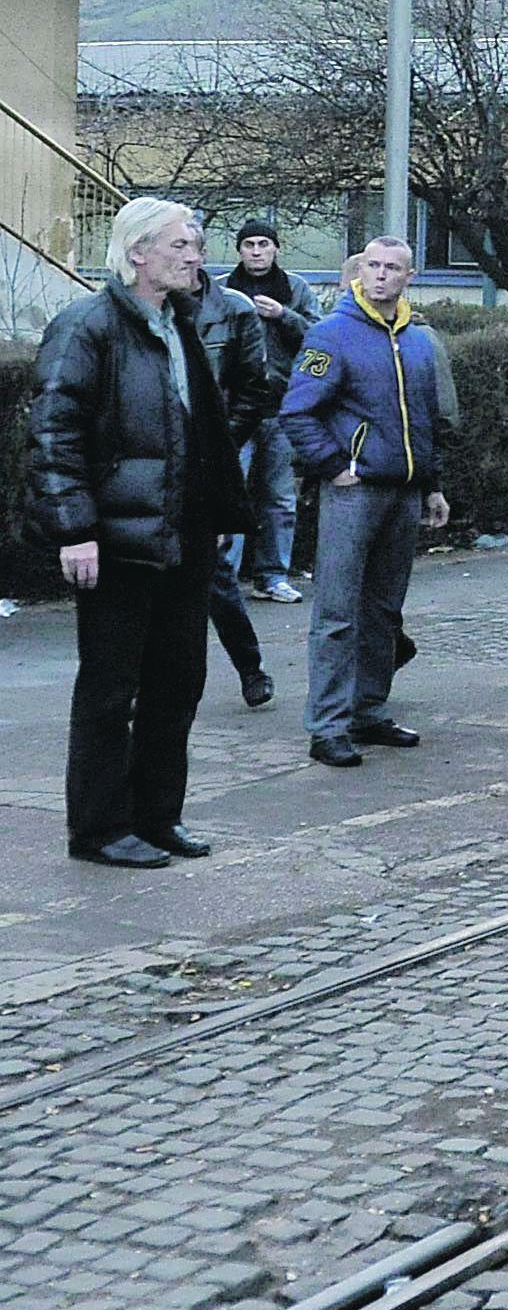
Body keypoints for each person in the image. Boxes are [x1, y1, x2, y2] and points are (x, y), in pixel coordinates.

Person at [26, 199, 250, 867]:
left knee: (177, 684)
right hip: (117, 544)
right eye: (180, 245)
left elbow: (198, 431)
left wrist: (212, 516)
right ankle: (98, 828)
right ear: (137, 255)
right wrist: (75, 530)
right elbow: (53, 435)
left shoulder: (182, 324)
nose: (195, 256)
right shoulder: (86, 328)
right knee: (108, 691)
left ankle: (158, 816)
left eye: (197, 243)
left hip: (180, 538)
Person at [280, 236, 449, 768]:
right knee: (337, 610)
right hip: (354, 492)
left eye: (391, 268)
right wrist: (334, 466)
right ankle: (327, 725)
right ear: (360, 272)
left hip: (403, 490)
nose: (380, 276)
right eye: (372, 266)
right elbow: (297, 411)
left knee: (383, 610)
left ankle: (368, 710)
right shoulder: (331, 334)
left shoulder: (417, 340)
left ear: (409, 276)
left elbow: (426, 421)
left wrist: (432, 484)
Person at [191, 255, 283, 710]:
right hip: (155, 459)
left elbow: (253, 385)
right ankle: (142, 685)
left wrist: (220, 444)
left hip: (213, 453)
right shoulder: (138, 311)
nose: (186, 257)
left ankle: (250, 667)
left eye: (191, 246)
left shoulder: (233, 309)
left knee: (215, 574)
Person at [223, 220, 316, 600]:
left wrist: (283, 316)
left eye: (264, 244)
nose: (257, 251)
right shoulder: (223, 291)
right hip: (236, 410)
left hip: (280, 409)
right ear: (239, 251)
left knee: (279, 497)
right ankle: (223, 578)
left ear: (276, 249)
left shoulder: (295, 289)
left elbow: (318, 337)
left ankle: (273, 574)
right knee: (231, 494)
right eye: (249, 244)